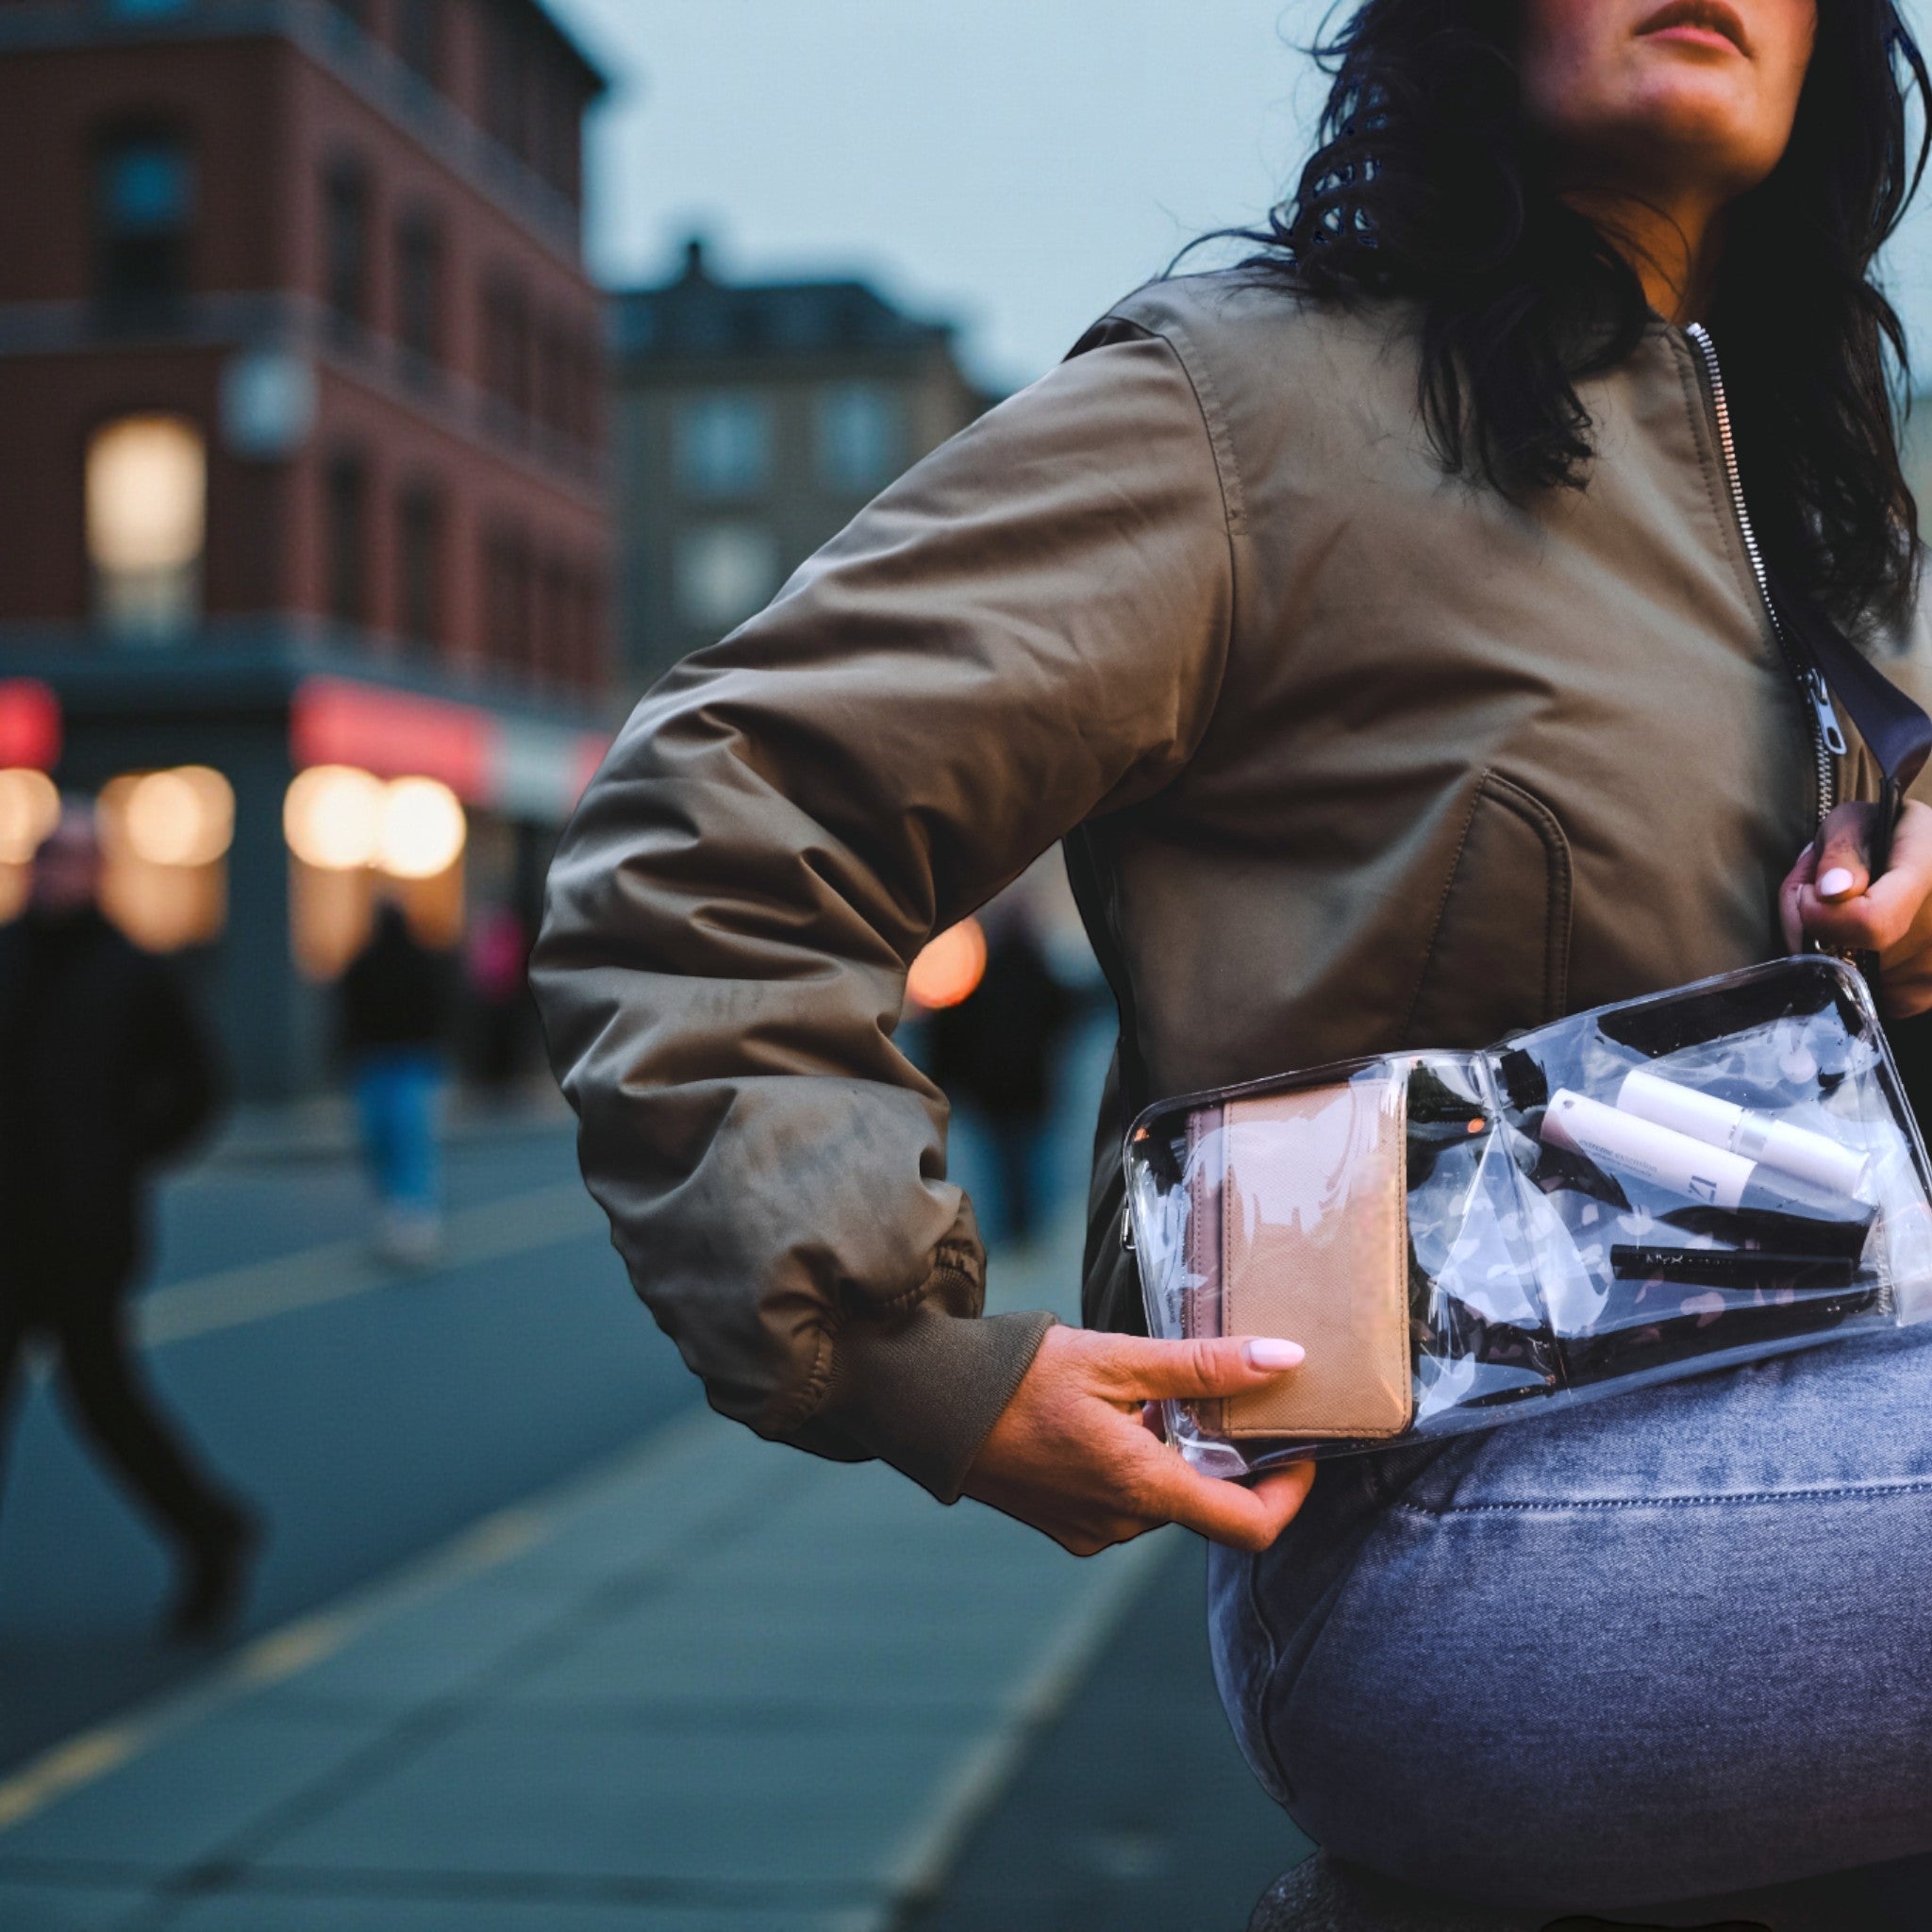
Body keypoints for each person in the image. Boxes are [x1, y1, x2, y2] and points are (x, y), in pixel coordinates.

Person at [533, 0, 1932, 1910]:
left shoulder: (1820, 518)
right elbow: (707, 830)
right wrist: (912, 1351)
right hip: (1435, 1526)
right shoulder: (1260, 409)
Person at [0, 803, 257, 1640]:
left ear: (100, 872)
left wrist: (118, 1155)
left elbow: (198, 1092)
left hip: (83, 1228)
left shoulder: (134, 973)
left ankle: (210, 1528)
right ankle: (212, 1529)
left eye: (71, 859)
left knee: (103, 1397)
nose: (53, 873)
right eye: (44, 856)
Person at [924, 908, 1074, 1244]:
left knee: (1010, 1164)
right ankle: (1027, 1230)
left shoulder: (975, 973)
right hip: (1022, 1091)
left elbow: (949, 1032)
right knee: (1024, 1163)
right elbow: (1060, 1014)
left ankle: (1020, 1230)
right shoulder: (1028, 969)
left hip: (998, 1094)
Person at [341, 900, 452, 1265]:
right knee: (402, 1141)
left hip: (394, 1061)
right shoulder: (417, 961)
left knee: (395, 1141)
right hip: (398, 1061)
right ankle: (406, 1219)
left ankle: (405, 1218)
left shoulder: (366, 963)